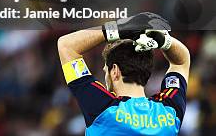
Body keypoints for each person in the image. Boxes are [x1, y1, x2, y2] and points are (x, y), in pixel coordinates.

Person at [57, 13, 190, 135]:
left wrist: (119, 28)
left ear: (114, 71)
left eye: (106, 71)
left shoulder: (102, 108)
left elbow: (66, 46)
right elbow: (181, 62)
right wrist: (164, 40)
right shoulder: (169, 112)